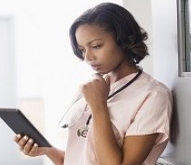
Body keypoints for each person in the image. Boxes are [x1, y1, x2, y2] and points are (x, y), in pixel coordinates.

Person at [14, 2, 173, 165]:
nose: (87, 57)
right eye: (82, 49)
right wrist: (47, 150)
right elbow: (79, 159)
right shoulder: (92, 87)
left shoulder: (153, 96)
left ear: (124, 40)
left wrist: (99, 106)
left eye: (96, 46)